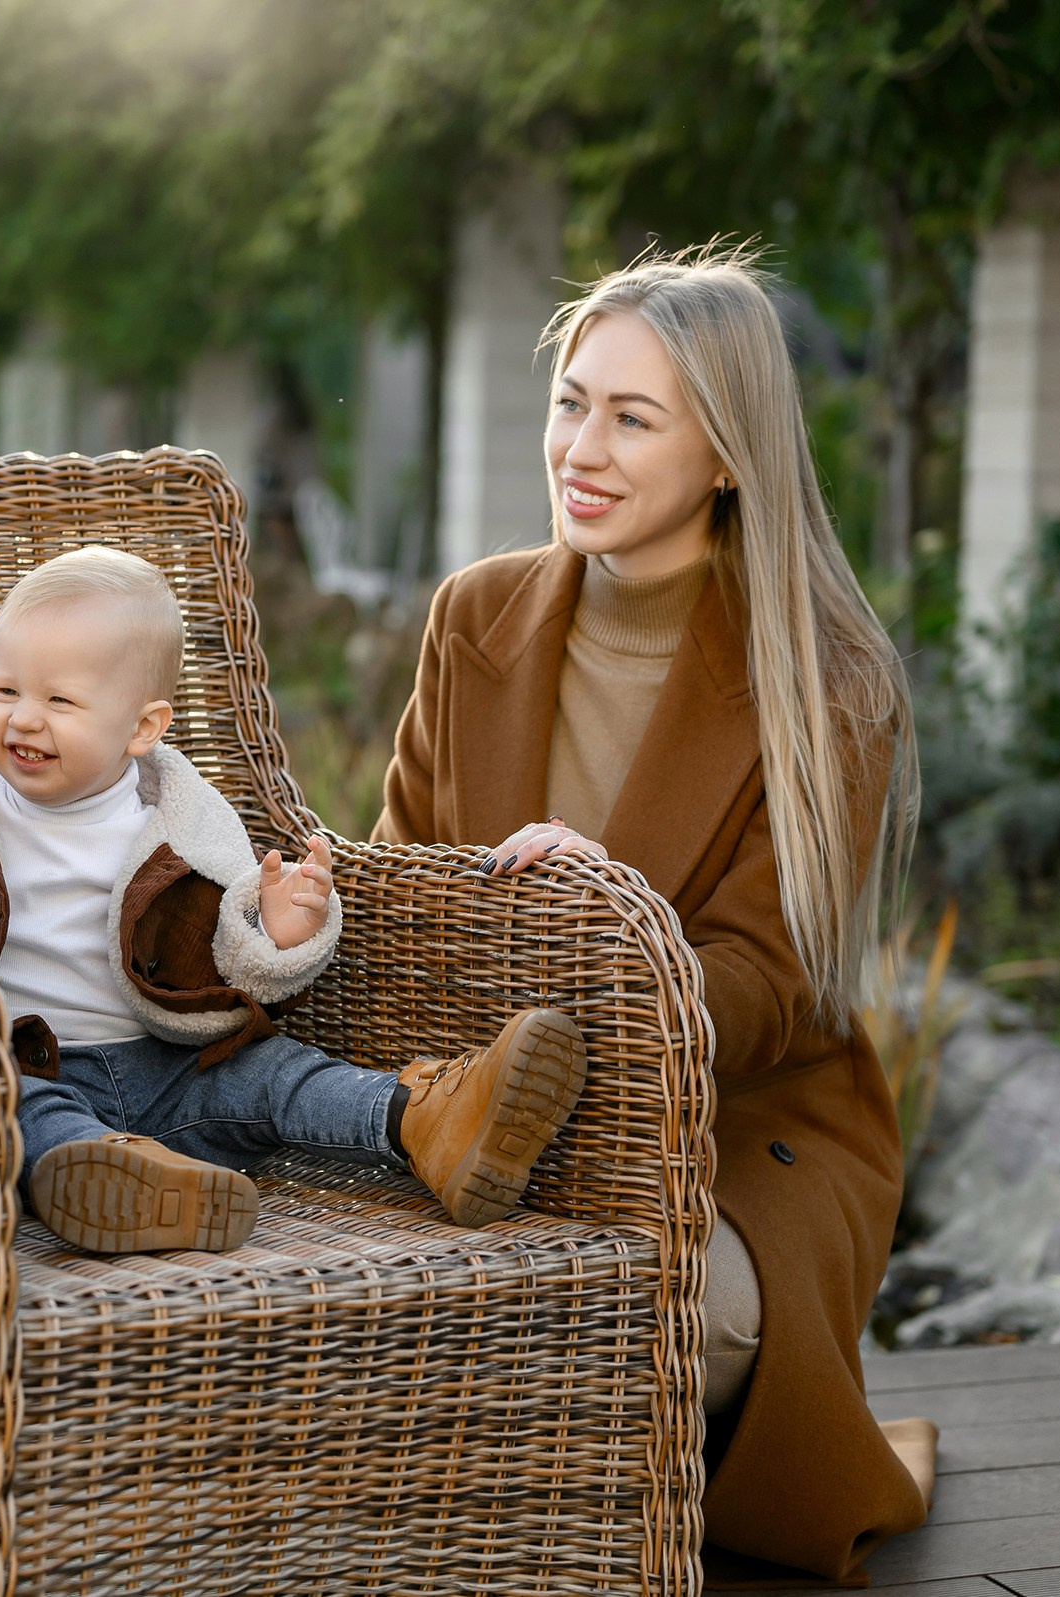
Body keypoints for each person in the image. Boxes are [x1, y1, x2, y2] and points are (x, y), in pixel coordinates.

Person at [372, 241, 936, 1587]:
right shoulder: (476, 615)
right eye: (575, 402)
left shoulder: (830, 680)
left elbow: (764, 989)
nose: (585, 445)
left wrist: (610, 916)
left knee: (648, 1321)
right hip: (483, 1109)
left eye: (634, 417)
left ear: (729, 453)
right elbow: (395, 886)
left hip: (739, 1135)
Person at [0, 547, 587, 1253]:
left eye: (59, 700)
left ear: (143, 727)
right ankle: (117, 1179)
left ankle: (426, 1122)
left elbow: (232, 957)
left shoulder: (187, 817)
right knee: (6, 1106)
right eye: (5, 691)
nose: (23, 719)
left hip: (174, 1069)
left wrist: (278, 932)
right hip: (29, 1064)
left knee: (280, 1075)